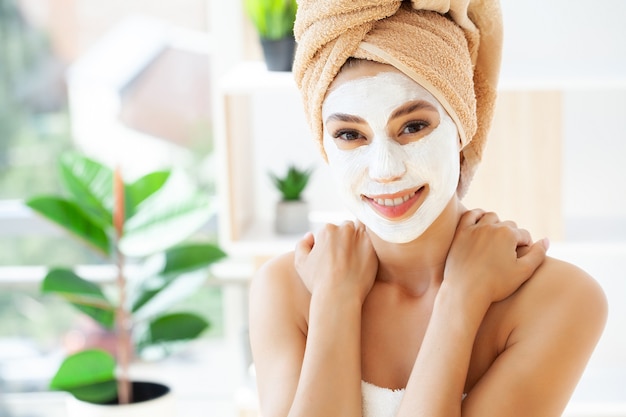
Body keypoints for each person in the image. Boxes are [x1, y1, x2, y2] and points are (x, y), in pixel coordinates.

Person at [248, 1, 608, 416]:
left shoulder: (559, 298)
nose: (384, 170)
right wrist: (335, 301)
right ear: (324, 146)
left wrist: (461, 297)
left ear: (463, 125)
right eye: (349, 134)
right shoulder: (286, 289)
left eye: (414, 126)